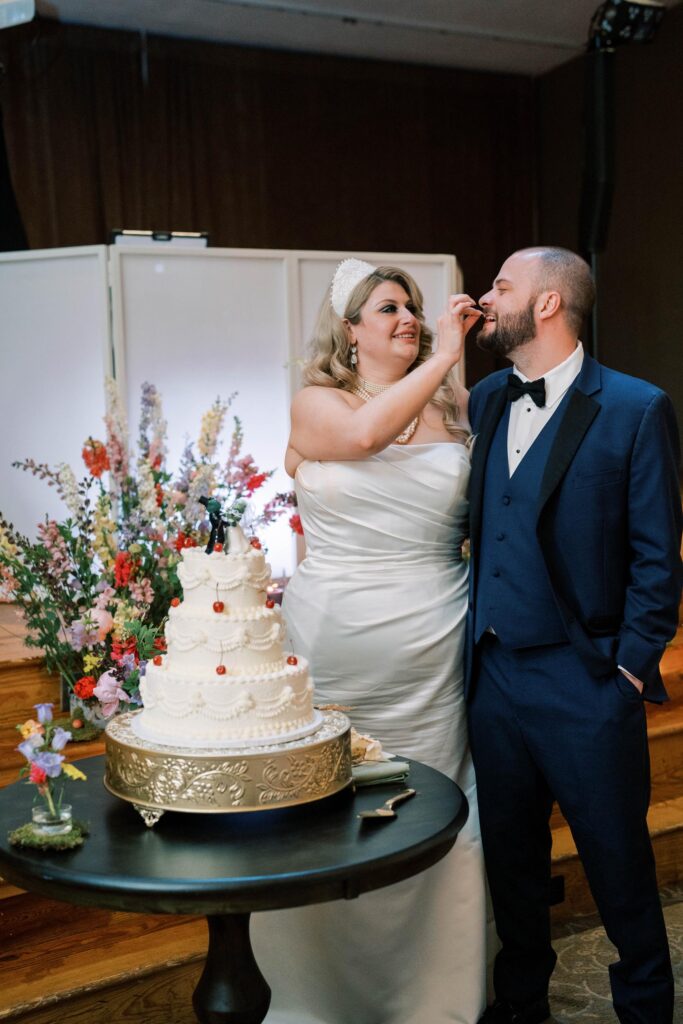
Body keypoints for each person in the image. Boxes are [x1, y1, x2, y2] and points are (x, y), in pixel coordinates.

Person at [250, 258, 489, 1024]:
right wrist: (448, 353)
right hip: (336, 642)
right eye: (387, 308)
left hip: (433, 644)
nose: (408, 318)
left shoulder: (453, 412)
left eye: (413, 307)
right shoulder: (318, 402)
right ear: (350, 330)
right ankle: (320, 995)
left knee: (430, 803)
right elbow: (361, 435)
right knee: (327, 805)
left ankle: (434, 997)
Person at [466, 246, 682, 1024]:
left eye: (500, 286)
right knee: (513, 870)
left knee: (618, 868)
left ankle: (646, 1010)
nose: (484, 299)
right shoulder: (488, 397)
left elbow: (658, 559)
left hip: (586, 681)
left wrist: (627, 668)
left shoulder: (634, 407)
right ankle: (521, 1006)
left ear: (549, 303)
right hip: (492, 681)